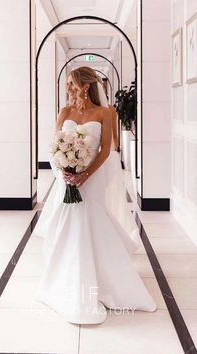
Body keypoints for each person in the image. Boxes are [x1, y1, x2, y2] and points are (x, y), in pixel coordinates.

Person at [33, 66, 157, 324]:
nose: (68, 89)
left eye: (72, 84)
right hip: (67, 179)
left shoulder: (105, 112)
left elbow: (106, 149)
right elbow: (54, 145)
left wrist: (85, 174)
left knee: (91, 220)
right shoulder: (65, 111)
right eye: (67, 83)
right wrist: (64, 173)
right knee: (70, 224)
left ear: (86, 86)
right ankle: (68, 279)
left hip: (92, 179)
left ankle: (105, 280)